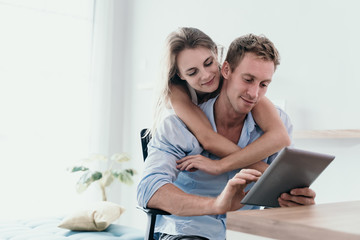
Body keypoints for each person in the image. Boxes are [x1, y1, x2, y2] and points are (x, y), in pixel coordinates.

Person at [137, 33, 316, 240]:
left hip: (246, 234)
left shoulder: (277, 122)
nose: (254, 93)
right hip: (190, 232)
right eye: (247, 80)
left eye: (264, 84)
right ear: (227, 70)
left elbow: (281, 191)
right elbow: (149, 190)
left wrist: (294, 199)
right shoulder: (178, 126)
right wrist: (215, 204)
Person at [153, 27, 291, 175]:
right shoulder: (176, 91)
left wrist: (223, 164)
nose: (206, 75)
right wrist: (269, 173)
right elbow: (208, 139)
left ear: (216, 53)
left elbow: (280, 137)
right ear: (179, 74)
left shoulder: (233, 81)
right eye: (192, 72)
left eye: (208, 63)